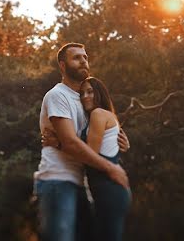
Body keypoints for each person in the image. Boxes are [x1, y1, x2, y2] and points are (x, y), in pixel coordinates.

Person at [34, 43, 129, 241]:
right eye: (76, 57)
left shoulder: (87, 103)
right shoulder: (57, 95)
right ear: (62, 65)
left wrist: (120, 143)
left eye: (85, 57)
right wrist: (111, 169)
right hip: (57, 179)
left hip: (79, 182)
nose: (83, 61)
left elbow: (95, 141)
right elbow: (70, 143)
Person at [79, 76, 131, 241]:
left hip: (109, 190)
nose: (85, 96)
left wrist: (60, 143)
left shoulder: (98, 113)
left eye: (90, 92)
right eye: (82, 93)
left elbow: (90, 154)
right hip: (107, 191)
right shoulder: (103, 116)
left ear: (100, 93)